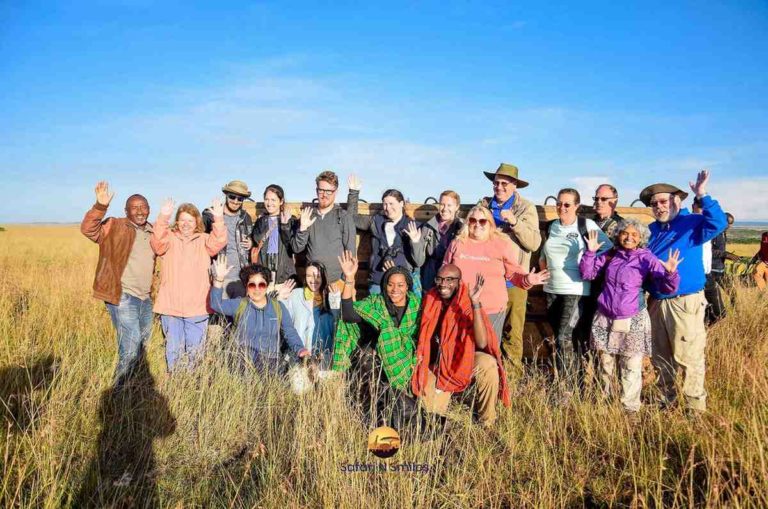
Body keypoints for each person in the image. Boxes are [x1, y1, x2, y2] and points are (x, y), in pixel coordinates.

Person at [641, 169, 728, 413]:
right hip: (657, 302)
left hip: (685, 302)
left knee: (688, 356)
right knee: (660, 356)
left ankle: (694, 408)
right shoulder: (651, 231)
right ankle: (666, 401)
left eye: (663, 201)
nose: (658, 206)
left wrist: (702, 194)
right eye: (653, 203)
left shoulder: (691, 224)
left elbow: (718, 223)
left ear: (677, 201)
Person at [580, 220, 681, 413]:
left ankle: (630, 409)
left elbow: (667, 287)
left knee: (631, 366)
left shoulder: (646, 258)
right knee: (605, 365)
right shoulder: (610, 255)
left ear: (641, 238)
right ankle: (605, 405)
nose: (629, 237)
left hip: (632, 317)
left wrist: (670, 273)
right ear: (618, 235)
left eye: (634, 235)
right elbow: (588, 273)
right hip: (605, 317)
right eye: (625, 233)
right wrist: (590, 253)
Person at [412, 265, 511, 427]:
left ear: (459, 282)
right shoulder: (430, 299)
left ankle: (487, 422)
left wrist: (475, 304)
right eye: (440, 279)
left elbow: (482, 342)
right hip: (438, 365)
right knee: (431, 414)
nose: (443, 284)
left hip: (463, 359)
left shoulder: (466, 301)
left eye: (450, 280)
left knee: (487, 364)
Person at [332, 252, 420, 428]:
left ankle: (408, 422)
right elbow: (348, 314)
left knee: (397, 397)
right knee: (374, 383)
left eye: (400, 285)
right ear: (384, 285)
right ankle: (378, 424)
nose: (395, 290)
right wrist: (350, 278)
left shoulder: (417, 308)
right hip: (374, 361)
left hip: (405, 360)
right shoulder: (376, 304)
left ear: (408, 286)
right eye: (390, 284)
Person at [81, 181, 155, 380]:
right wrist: (100, 206)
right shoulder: (114, 225)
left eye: (144, 207)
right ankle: (120, 393)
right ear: (126, 210)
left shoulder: (153, 231)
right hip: (122, 294)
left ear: (149, 209)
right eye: (135, 207)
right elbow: (89, 229)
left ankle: (136, 387)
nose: (140, 211)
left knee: (143, 344)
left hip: (146, 297)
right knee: (131, 344)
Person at [444, 205, 549, 345]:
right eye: (473, 220)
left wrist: (527, 279)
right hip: (460, 308)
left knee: (487, 353)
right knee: (460, 352)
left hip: (491, 309)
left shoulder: (501, 244)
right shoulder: (457, 244)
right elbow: (445, 270)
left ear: (490, 223)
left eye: (482, 221)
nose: (477, 224)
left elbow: (513, 274)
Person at [539, 188, 612, 385]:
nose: (561, 208)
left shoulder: (585, 225)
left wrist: (591, 262)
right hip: (551, 289)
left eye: (567, 204)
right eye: (559, 204)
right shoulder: (552, 226)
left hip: (576, 290)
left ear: (577, 206)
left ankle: (567, 386)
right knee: (561, 338)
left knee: (565, 337)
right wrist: (542, 268)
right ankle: (576, 382)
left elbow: (608, 249)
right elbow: (545, 253)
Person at [150, 199, 227, 371]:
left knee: (195, 352)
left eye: (190, 221)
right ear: (176, 221)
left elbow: (219, 241)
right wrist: (163, 217)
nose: (186, 224)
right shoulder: (168, 239)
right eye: (182, 220)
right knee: (173, 351)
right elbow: (157, 244)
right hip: (171, 308)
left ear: (197, 223)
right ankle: (176, 386)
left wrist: (219, 219)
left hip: (197, 308)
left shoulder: (204, 240)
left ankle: (192, 387)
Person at [478, 163, 542, 372]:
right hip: (488, 280)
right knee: (486, 330)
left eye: (505, 183)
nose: (499, 187)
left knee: (513, 332)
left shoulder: (526, 208)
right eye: (496, 183)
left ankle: (511, 379)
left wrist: (515, 222)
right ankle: (487, 376)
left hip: (514, 279)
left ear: (515, 185)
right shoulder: (483, 206)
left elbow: (533, 242)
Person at [209, 257, 309, 372]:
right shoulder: (240, 305)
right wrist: (219, 279)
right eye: (252, 285)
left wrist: (300, 349)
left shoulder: (278, 307)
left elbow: (290, 332)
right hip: (242, 362)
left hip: (271, 363)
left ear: (267, 286)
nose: (257, 289)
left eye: (261, 285)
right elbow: (215, 305)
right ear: (246, 286)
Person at [347, 185, 425, 294]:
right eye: (385, 204)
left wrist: (415, 242)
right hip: (377, 282)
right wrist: (353, 192)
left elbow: (419, 261)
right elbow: (351, 219)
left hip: (402, 284)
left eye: (391, 203)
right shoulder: (375, 222)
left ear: (401, 203)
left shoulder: (413, 226)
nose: (387, 207)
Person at [290, 171, 357, 290]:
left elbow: (350, 251)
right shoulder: (308, 215)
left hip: (337, 282)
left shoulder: (343, 217)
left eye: (329, 191)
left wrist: (344, 280)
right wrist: (303, 228)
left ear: (335, 192)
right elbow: (297, 248)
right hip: (313, 283)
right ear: (316, 191)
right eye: (321, 190)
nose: (324, 195)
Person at [280, 261, 341, 371]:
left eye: (317, 276)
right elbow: (284, 321)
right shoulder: (296, 294)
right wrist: (281, 299)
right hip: (299, 356)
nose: (313, 280)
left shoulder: (330, 296)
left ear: (323, 277)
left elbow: (337, 326)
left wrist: (335, 302)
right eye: (309, 275)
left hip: (323, 358)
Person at [204, 180, 254, 298]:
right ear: (226, 195)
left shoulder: (246, 217)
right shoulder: (210, 216)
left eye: (240, 199)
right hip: (219, 276)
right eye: (232, 196)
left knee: (241, 314)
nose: (236, 201)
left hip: (241, 278)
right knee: (220, 314)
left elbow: (252, 237)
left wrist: (251, 242)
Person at [693, 199, 737, 325]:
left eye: (730, 225)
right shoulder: (713, 232)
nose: (729, 227)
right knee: (713, 307)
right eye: (728, 224)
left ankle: (733, 312)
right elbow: (711, 251)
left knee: (731, 293)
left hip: (718, 270)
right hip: (710, 271)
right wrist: (725, 254)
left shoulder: (722, 233)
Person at [418, 190, 464, 294]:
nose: (445, 209)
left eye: (449, 205)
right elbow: (419, 258)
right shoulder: (428, 226)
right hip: (430, 277)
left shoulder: (462, 228)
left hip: (452, 277)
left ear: (457, 207)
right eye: (442, 204)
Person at [251, 184, 297, 286]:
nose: (269, 203)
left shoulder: (291, 220)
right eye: (266, 199)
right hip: (265, 267)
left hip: (283, 270)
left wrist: (285, 226)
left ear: (281, 201)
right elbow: (256, 239)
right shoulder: (262, 221)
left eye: (273, 200)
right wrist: (263, 220)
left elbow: (292, 245)